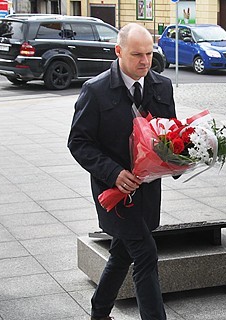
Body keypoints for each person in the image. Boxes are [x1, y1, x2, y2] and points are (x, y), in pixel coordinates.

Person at [68, 23, 175, 320]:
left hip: (148, 190)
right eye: (136, 54)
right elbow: (78, 142)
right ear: (118, 52)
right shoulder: (96, 90)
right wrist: (113, 173)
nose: (145, 61)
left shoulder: (162, 86)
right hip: (114, 194)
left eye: (149, 54)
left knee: (122, 252)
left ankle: (99, 311)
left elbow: (171, 135)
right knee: (145, 254)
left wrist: (185, 158)